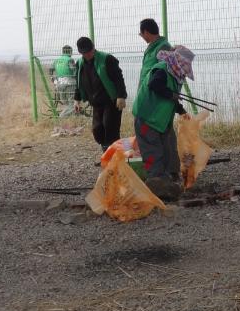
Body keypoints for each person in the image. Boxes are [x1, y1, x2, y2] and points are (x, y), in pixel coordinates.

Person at [132, 44, 195, 201]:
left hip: (160, 120)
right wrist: (171, 94)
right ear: (177, 61)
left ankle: (164, 182)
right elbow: (155, 85)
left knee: (166, 150)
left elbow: (171, 98)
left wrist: (181, 111)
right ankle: (155, 184)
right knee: (153, 152)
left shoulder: (173, 74)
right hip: (147, 118)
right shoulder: (162, 69)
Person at [73, 37, 127, 151]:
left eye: (89, 51)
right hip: (96, 103)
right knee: (98, 131)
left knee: (110, 130)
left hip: (111, 102)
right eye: (84, 53)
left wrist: (121, 96)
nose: (88, 54)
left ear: (93, 47)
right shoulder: (80, 63)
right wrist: (76, 100)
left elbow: (118, 78)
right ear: (80, 52)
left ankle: (113, 160)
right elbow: (78, 82)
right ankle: (107, 156)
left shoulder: (107, 59)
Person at [137, 18, 170, 98]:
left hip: (154, 94)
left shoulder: (163, 47)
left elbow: (163, 74)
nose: (142, 37)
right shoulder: (151, 47)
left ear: (146, 32)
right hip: (145, 91)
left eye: (141, 34)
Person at [51, 45, 77, 114]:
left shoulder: (56, 60)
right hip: (70, 84)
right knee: (72, 104)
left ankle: (72, 118)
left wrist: (53, 80)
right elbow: (74, 71)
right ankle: (61, 117)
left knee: (66, 104)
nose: (72, 53)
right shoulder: (70, 60)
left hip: (59, 84)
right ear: (69, 51)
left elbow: (51, 70)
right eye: (71, 51)